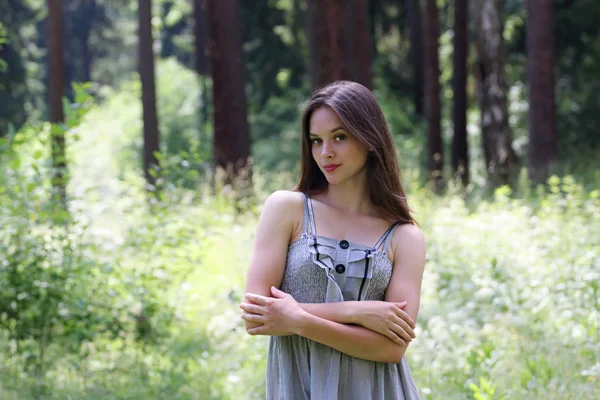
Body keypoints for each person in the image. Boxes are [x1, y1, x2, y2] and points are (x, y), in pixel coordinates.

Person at [240, 81, 426, 400]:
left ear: (370, 140)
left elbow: (392, 348)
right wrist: (357, 312)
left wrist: (299, 319)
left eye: (339, 137)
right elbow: (258, 316)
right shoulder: (287, 209)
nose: (325, 152)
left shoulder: (405, 236)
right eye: (316, 141)